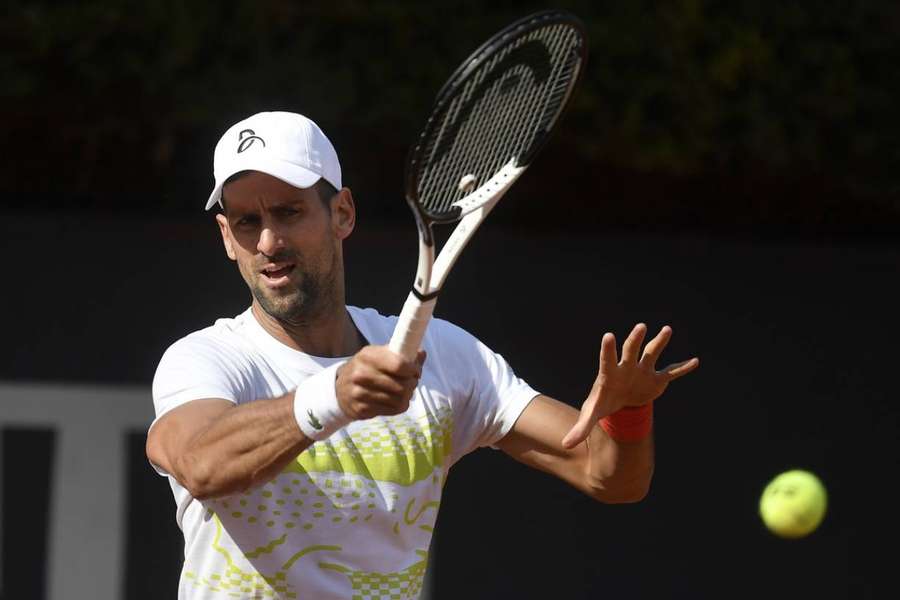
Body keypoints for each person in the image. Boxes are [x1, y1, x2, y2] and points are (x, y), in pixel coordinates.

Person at [146, 111, 699, 600]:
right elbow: (200, 463)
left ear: (342, 213)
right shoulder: (206, 360)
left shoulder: (447, 357)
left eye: (289, 212)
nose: (268, 242)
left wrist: (626, 413)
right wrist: (334, 394)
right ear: (226, 236)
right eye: (247, 222)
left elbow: (611, 478)